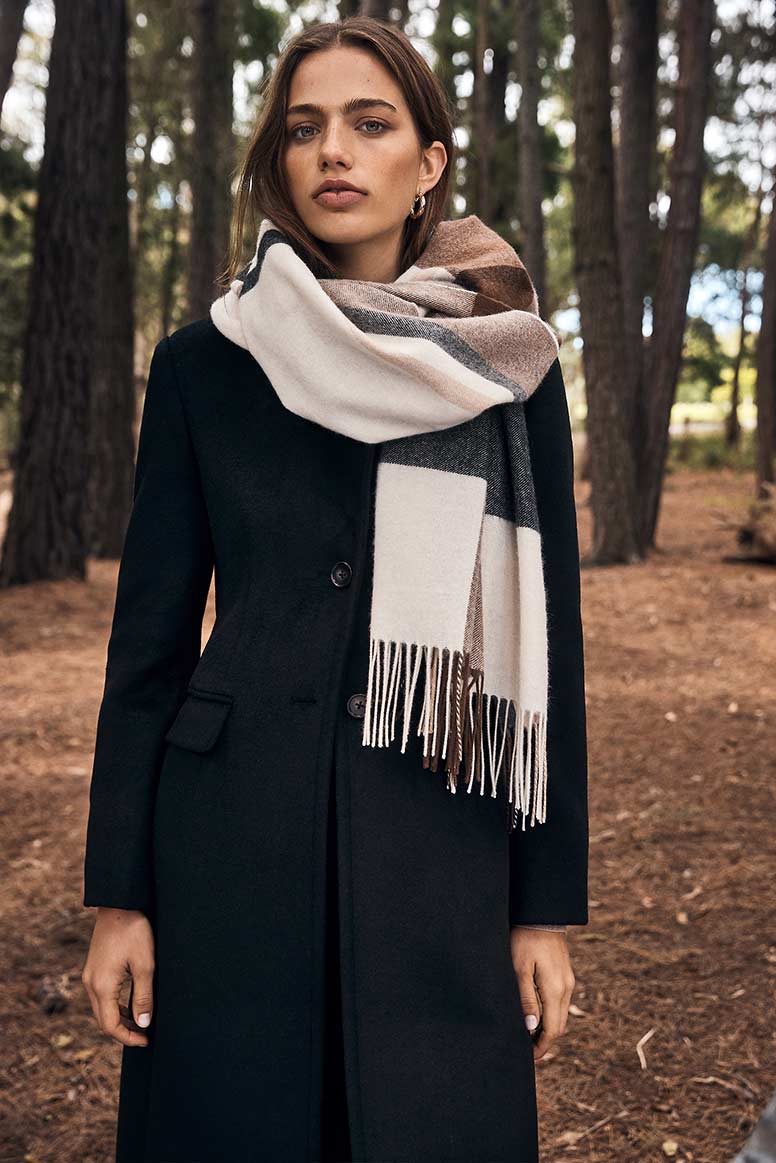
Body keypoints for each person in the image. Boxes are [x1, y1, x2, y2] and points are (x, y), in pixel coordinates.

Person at [80, 15, 588, 1163]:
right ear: (277, 159)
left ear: (428, 164)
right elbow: (148, 650)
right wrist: (121, 893)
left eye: (371, 124)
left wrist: (543, 906)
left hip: (440, 832)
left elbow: (549, 646)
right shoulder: (207, 359)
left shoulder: (507, 368)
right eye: (304, 128)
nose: (333, 153)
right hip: (228, 845)